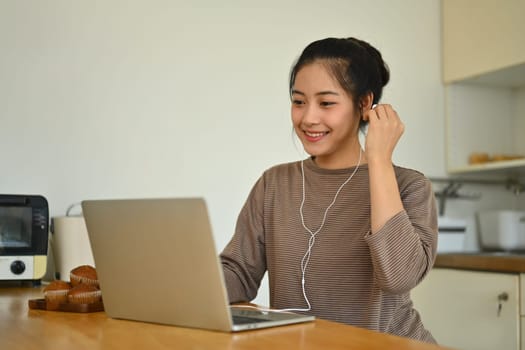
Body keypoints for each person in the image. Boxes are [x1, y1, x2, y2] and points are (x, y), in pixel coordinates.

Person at [220, 37, 438, 343]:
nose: (308, 118)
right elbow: (239, 272)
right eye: (298, 102)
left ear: (364, 104)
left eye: (326, 103)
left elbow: (398, 277)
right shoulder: (274, 183)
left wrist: (378, 159)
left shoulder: (409, 186)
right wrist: (179, 288)